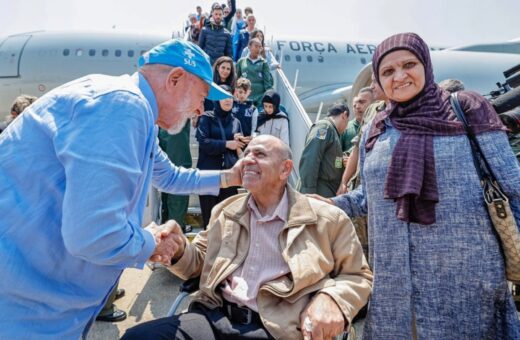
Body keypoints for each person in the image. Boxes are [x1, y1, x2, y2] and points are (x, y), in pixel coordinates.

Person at [0, 39, 244, 339]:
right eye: (202, 95)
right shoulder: (122, 107)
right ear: (175, 79)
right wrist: (152, 242)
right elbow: (93, 233)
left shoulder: (135, 111)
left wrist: (230, 178)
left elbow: (168, 176)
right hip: (22, 309)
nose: (200, 109)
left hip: (37, 300)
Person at [316, 32, 520, 338]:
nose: (399, 76)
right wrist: (331, 204)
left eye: (408, 64)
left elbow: (512, 187)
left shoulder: (466, 109)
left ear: (425, 63)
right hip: (394, 290)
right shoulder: (377, 126)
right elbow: (369, 199)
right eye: (387, 71)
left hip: (467, 284)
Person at [122, 135, 373, 340]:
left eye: (260, 155)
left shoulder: (327, 218)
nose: (247, 161)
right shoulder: (226, 210)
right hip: (213, 316)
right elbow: (198, 263)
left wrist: (332, 299)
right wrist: (177, 249)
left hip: (278, 328)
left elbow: (358, 276)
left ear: (285, 169)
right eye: (246, 154)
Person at [196, 85, 243, 228]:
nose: (227, 100)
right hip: (208, 174)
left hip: (229, 176)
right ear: (217, 100)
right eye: (223, 97)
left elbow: (238, 148)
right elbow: (204, 142)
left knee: (227, 220)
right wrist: (226, 144)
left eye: (230, 97)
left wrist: (241, 142)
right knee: (209, 219)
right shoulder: (206, 118)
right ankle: (208, 249)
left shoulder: (236, 122)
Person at [298, 103, 349, 197]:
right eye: (347, 122)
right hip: (316, 191)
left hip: (326, 192)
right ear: (344, 115)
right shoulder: (324, 128)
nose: (346, 128)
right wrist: (309, 191)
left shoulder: (334, 133)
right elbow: (311, 157)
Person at [236, 38, 274, 107]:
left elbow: (267, 83)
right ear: (249, 47)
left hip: (259, 99)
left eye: (260, 47)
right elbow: (236, 80)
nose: (258, 49)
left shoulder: (263, 63)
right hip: (244, 98)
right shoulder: (241, 62)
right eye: (256, 46)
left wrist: (270, 96)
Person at [340, 87, 373, 153]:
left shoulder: (380, 126)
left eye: (362, 102)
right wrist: (341, 162)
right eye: (354, 106)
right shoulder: (345, 128)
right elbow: (336, 154)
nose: (357, 107)